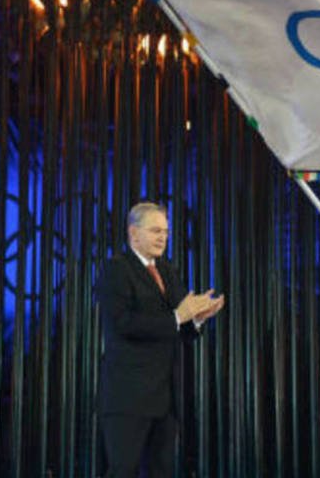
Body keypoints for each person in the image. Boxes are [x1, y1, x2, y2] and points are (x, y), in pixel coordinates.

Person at [97, 201, 225, 478]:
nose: (163, 238)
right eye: (156, 231)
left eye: (165, 232)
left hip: (165, 398)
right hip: (128, 397)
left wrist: (199, 318)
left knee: (162, 472)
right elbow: (123, 324)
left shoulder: (168, 271)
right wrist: (179, 316)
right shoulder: (116, 269)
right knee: (122, 471)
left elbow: (179, 328)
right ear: (134, 234)